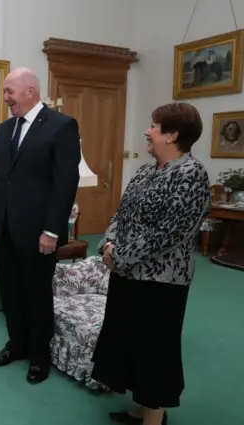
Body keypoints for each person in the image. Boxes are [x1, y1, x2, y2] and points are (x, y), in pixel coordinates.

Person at [93, 102, 210, 425]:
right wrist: (108, 244)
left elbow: (172, 232)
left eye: (154, 126)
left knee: (155, 351)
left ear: (172, 135)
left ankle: (154, 418)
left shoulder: (191, 173)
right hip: (127, 274)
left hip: (161, 281)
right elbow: (122, 212)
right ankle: (140, 408)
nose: (147, 131)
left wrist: (120, 255)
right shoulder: (146, 169)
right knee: (129, 343)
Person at [0, 67, 81, 384]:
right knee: (9, 292)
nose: (6, 98)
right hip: (4, 229)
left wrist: (52, 230)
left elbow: (65, 183)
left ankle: (39, 355)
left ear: (31, 91)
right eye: (5, 92)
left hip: (39, 233)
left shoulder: (62, 126)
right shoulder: (3, 129)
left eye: (10, 91)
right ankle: (17, 345)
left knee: (36, 295)